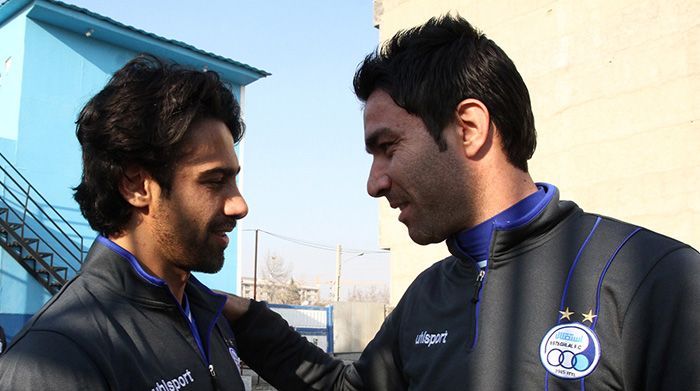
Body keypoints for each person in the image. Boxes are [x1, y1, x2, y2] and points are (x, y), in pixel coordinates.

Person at [222, 14, 700, 390]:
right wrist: (247, 319)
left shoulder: (652, 278)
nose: (374, 183)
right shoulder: (427, 296)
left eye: (388, 148)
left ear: (469, 128)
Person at [0, 55, 250, 390]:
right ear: (136, 185)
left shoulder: (210, 315)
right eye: (214, 181)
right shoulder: (57, 357)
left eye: (233, 180)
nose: (240, 205)